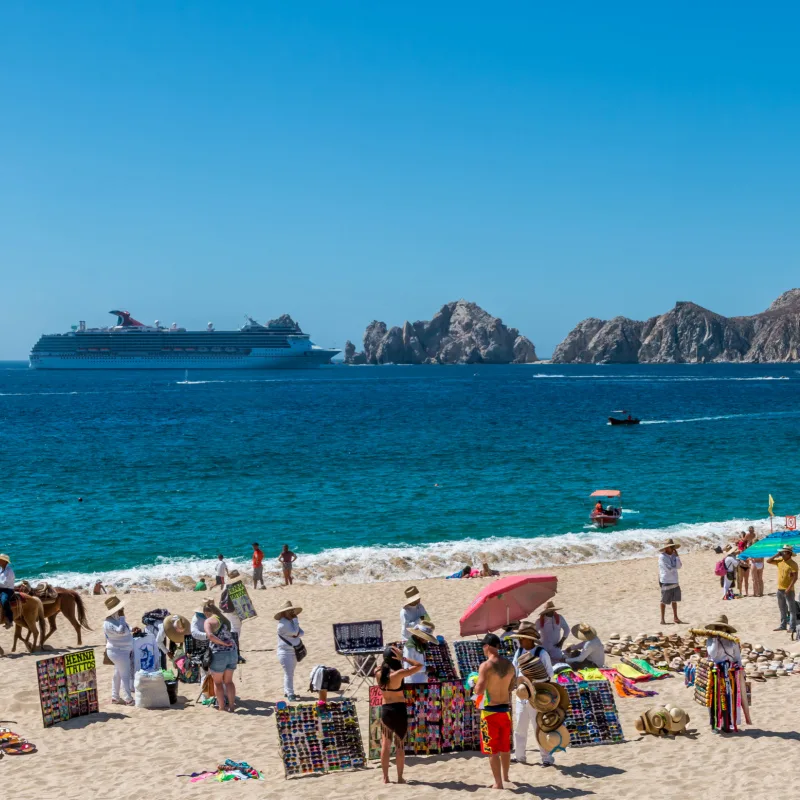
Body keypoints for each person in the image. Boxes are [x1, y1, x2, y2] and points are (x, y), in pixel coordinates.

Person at [376, 645, 423, 784]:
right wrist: (403, 657)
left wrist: (389, 658)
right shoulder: (398, 674)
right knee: (399, 745)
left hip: (386, 710)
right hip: (399, 710)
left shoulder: (378, 672)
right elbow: (419, 665)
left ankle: (385, 777)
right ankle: (400, 777)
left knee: (385, 744)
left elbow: (382, 665)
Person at [509, 621, 554, 766]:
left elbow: (549, 674)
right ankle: (520, 756)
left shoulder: (541, 653)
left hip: (537, 695)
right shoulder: (518, 652)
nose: (519, 641)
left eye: (521, 638)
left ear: (529, 638)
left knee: (538, 727)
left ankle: (546, 758)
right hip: (522, 695)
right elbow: (514, 670)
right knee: (520, 727)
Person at [474, 633, 516, 790]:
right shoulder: (510, 665)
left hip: (490, 712)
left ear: (487, 646)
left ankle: (498, 783)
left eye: (483, 646)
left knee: (492, 749)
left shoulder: (486, 666)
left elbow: (479, 690)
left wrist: (474, 684)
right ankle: (506, 777)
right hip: (505, 711)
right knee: (505, 747)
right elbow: (512, 686)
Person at [703, 614, 747, 733]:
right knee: (714, 698)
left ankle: (727, 723)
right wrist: (716, 640)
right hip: (715, 672)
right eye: (717, 627)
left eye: (721, 628)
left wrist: (740, 670)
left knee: (729, 699)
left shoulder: (733, 641)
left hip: (730, 673)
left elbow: (737, 657)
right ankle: (714, 724)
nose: (719, 630)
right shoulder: (710, 640)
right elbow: (712, 654)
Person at [102, 596, 134, 706]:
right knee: (125, 675)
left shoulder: (114, 620)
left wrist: (131, 629)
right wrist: (122, 617)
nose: (123, 609)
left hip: (119, 651)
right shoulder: (109, 622)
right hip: (119, 652)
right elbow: (121, 631)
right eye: (121, 608)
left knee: (117, 674)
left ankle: (115, 697)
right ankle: (128, 699)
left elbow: (126, 629)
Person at [204, 611, 237, 712]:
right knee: (229, 682)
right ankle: (232, 706)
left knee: (218, 683)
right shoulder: (223, 619)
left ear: (206, 612)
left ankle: (222, 707)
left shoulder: (208, 621)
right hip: (232, 652)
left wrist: (223, 643)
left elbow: (210, 636)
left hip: (219, 654)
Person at [275, 599, 304, 700]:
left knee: (289, 673)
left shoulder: (290, 621)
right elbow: (296, 632)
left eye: (292, 611)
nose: (292, 613)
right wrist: (296, 621)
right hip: (285, 653)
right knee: (289, 674)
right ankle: (291, 694)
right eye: (289, 611)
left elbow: (301, 633)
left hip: (292, 651)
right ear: (284, 613)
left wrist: (295, 630)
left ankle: (287, 691)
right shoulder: (282, 625)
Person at [767, 545, 798, 632]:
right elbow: (768, 561)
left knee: (791, 610)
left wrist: (789, 588)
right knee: (782, 608)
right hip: (780, 589)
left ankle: (792, 627)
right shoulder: (780, 561)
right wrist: (776, 555)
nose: (782, 553)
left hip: (789, 590)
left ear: (789, 553)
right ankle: (783, 626)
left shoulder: (793, 564)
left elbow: (795, 577)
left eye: (784, 552)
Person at [658, 539, 684, 624]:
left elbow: (679, 566)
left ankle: (675, 617)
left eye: (673, 547)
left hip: (674, 579)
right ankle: (662, 619)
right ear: (666, 548)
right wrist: (674, 568)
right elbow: (668, 568)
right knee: (663, 600)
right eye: (671, 547)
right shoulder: (662, 557)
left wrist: (677, 556)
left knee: (674, 599)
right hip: (666, 580)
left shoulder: (673, 555)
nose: (673, 549)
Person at [0, 554, 16, 629]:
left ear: (5, 561)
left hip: (7, 590)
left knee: (4, 601)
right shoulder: (0, 569)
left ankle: (9, 620)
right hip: (1, 588)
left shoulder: (9, 571)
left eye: (1, 559)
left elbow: (5, 584)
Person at [748, 527, 765, 597]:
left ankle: (756, 593)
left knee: (754, 580)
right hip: (761, 564)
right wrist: (762, 564)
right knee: (760, 579)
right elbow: (762, 559)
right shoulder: (761, 549)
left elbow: (751, 558)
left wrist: (751, 559)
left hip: (754, 564)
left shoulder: (752, 549)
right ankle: (761, 592)